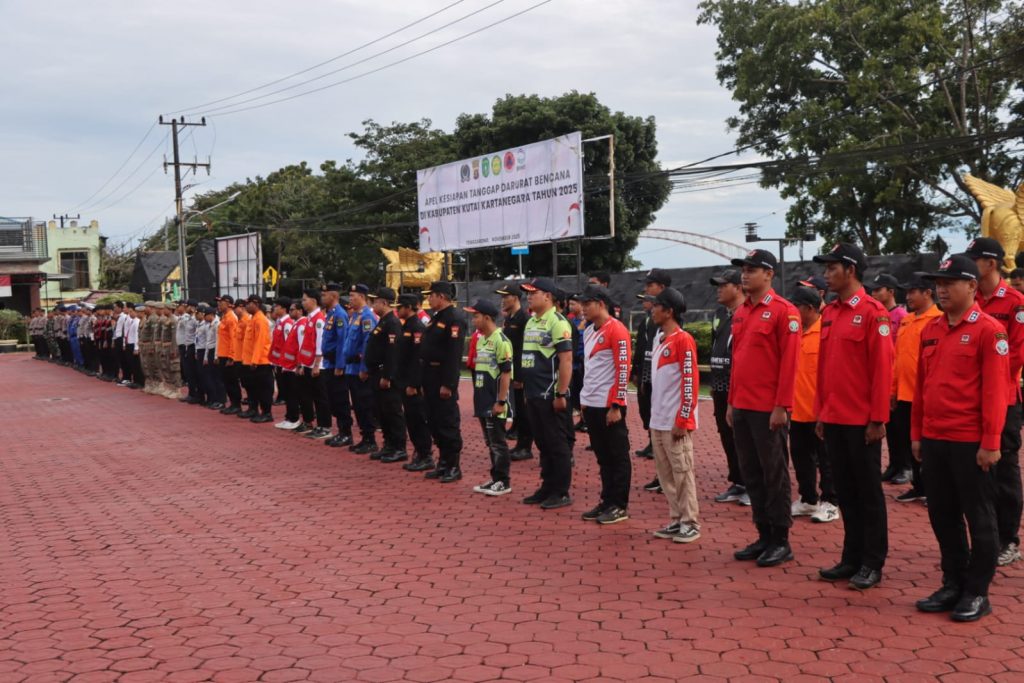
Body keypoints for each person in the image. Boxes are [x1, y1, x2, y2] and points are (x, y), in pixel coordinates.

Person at [912, 254, 1009, 622]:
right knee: (943, 515)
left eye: (948, 283)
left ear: (971, 286)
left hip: (970, 442)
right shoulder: (931, 330)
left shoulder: (989, 331)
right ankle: (952, 582)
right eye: (938, 283)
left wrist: (991, 442)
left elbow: (996, 392)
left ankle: (977, 591)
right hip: (935, 438)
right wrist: (917, 434)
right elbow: (921, 388)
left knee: (980, 517)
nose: (941, 289)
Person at [813, 243, 894, 590]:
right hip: (834, 417)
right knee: (845, 491)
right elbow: (823, 367)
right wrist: (821, 411)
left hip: (861, 422)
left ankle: (872, 561)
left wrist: (878, 419)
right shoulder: (830, 312)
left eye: (832, 268)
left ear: (851, 270)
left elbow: (883, 369)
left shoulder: (874, 312)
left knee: (868, 493)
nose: (826, 274)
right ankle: (851, 557)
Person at [727, 249, 800, 568]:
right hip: (742, 406)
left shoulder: (784, 311)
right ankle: (763, 533)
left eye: (752, 269)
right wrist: (732, 402)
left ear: (769, 274)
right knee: (751, 472)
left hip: (769, 408)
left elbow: (790, 363)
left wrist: (782, 406)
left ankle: (781, 539)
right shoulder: (742, 311)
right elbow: (738, 361)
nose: (745, 274)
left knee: (774, 473)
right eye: (743, 269)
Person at [965, 237, 1024, 567]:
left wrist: (985, 380)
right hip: (971, 400)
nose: (969, 264)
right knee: (976, 472)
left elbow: (1016, 354)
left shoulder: (1015, 302)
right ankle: (985, 539)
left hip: (1004, 399)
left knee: (1004, 472)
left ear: (990, 263)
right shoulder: (969, 298)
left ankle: (1008, 539)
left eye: (974, 259)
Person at [576, 285, 633, 523]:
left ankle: (619, 505)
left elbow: (623, 368)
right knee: (602, 456)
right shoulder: (589, 330)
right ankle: (607, 500)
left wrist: (616, 405)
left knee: (617, 455)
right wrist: (584, 399)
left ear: (601, 304)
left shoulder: (617, 330)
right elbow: (590, 369)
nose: (583, 308)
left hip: (609, 405)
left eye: (587, 304)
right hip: (592, 403)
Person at [519, 277, 574, 509]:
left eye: (533, 293)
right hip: (533, 394)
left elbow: (566, 360)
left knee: (556, 444)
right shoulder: (531, 322)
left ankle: (561, 492)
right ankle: (547, 486)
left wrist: (561, 393)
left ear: (548, 297)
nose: (529, 297)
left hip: (550, 394)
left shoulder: (558, 322)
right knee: (542, 443)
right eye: (528, 293)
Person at [789, 286, 839, 524]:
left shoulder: (826, 333)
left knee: (826, 459)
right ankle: (808, 499)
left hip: (820, 411)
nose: (792, 311)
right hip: (797, 410)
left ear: (809, 308)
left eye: (796, 306)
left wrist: (827, 409)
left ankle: (831, 502)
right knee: (801, 457)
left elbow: (833, 374)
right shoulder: (794, 332)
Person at [891, 274, 941, 504]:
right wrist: (893, 390)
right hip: (904, 394)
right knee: (909, 442)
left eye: (912, 291)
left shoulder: (938, 320)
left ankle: (934, 489)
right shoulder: (907, 320)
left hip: (926, 395)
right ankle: (919, 486)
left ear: (927, 293)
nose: (908, 296)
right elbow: (898, 359)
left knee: (929, 445)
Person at [464, 298, 515, 496]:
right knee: (490, 443)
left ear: (486, 318)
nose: (473, 320)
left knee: (498, 443)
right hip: (483, 400)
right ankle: (495, 478)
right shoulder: (481, 339)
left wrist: (501, 401)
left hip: (495, 402)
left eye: (476, 316)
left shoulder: (501, 341)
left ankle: (503, 481)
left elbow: (506, 373)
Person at [419, 281, 466, 482]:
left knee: (447, 421)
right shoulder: (436, 317)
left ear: (442, 296)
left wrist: (448, 384)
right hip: (429, 375)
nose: (429, 299)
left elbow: (454, 355)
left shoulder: (454, 319)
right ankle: (443, 462)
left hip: (442, 376)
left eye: (431, 295)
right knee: (433, 420)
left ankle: (453, 465)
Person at [709, 269, 748, 506]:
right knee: (727, 436)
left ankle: (753, 485)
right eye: (718, 285)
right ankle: (738, 481)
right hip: (720, 385)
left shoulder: (747, 313)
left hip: (740, 387)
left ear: (738, 287)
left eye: (724, 285)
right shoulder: (721, 314)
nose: (719, 289)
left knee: (744, 438)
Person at [632, 269, 671, 467]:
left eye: (650, 285)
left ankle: (661, 449)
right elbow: (640, 347)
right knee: (645, 408)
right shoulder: (648, 318)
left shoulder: (670, 315)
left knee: (659, 411)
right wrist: (636, 370)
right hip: (646, 370)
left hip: (660, 373)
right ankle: (652, 442)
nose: (646, 289)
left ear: (662, 287)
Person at [392, 294, 434, 469]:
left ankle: (425, 455)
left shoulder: (416, 327)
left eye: (400, 307)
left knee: (417, 420)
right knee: (411, 419)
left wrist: (414, 384)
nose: (397, 310)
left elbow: (418, 358)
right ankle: (419, 453)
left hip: (412, 383)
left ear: (408, 307)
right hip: (404, 380)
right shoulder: (406, 325)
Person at [365, 287, 406, 461]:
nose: (373, 305)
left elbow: (393, 352)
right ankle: (388, 445)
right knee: (382, 412)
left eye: (375, 302)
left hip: (385, 374)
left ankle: (399, 447)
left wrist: (387, 376)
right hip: (377, 372)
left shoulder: (392, 323)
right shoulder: (383, 321)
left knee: (392, 411)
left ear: (384, 302)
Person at [496, 282, 533, 461]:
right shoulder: (510, 319)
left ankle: (526, 447)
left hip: (521, 372)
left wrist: (521, 375)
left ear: (516, 298)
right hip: (512, 371)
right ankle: (520, 443)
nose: (503, 300)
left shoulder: (524, 319)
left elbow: (524, 350)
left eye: (506, 296)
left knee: (525, 411)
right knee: (518, 408)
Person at [342, 284, 378, 453]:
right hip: (351, 367)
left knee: (364, 405)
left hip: (359, 369)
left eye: (353, 296)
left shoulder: (367, 317)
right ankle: (364, 437)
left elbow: (367, 345)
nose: (350, 299)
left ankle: (370, 439)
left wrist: (364, 368)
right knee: (357, 405)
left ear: (362, 297)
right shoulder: (355, 316)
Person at [320, 283, 354, 448]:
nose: (322, 297)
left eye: (324, 295)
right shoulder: (331, 313)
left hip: (336, 364)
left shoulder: (340, 314)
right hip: (329, 363)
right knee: (333, 399)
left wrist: (340, 365)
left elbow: (342, 342)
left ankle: (346, 433)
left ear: (333, 296)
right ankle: (341, 432)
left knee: (340, 400)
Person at [297, 289, 332, 438]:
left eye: (305, 299)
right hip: (309, 363)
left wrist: (317, 364)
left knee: (321, 397)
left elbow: (320, 343)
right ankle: (317, 425)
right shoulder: (309, 318)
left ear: (314, 301)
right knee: (312, 395)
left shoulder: (318, 319)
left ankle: (325, 426)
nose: (303, 303)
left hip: (318, 365)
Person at [241, 296, 274, 422]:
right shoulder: (253, 319)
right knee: (255, 388)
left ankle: (267, 413)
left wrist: (254, 361)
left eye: (248, 303)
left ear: (256, 304)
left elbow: (260, 342)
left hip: (261, 361)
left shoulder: (260, 320)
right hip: (252, 361)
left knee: (264, 389)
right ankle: (255, 409)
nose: (246, 306)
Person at [274, 301, 303, 429]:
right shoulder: (284, 322)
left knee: (291, 392)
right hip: (285, 363)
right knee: (287, 392)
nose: (275, 309)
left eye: (277, 306)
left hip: (290, 364)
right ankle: (289, 417)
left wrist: (295, 364)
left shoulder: (287, 323)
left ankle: (293, 418)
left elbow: (291, 345)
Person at [216, 296, 242, 414]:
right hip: (223, 354)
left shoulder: (231, 318)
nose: (219, 305)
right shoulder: (224, 317)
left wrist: (231, 357)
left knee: (232, 381)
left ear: (228, 304)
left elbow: (233, 338)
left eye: (221, 303)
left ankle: (236, 405)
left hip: (228, 356)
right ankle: (232, 404)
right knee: (226, 381)